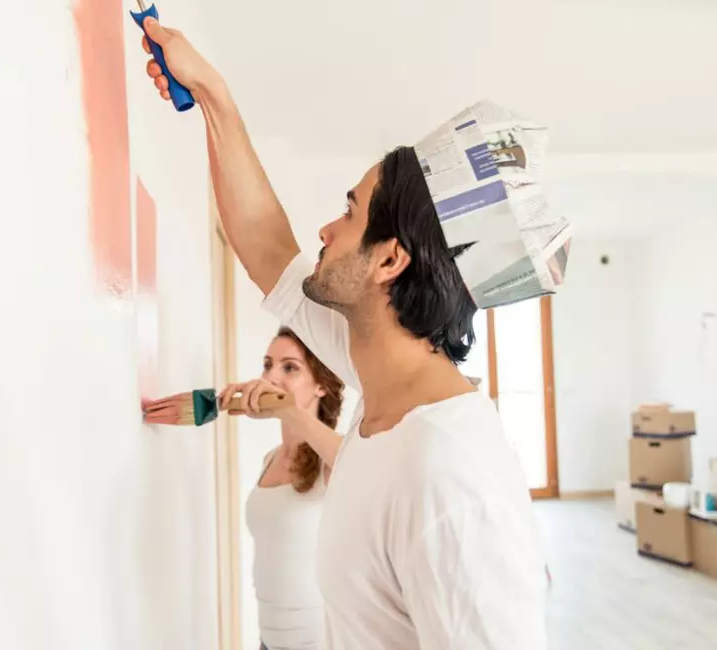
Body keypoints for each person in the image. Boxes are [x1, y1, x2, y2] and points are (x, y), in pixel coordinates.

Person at [138, 18, 547, 649]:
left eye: (350, 211)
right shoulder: (380, 381)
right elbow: (268, 247)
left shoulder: (449, 475)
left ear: (389, 262)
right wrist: (212, 94)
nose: (326, 230)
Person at [237, 327, 345, 650]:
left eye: (290, 367)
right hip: (268, 639)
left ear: (321, 385)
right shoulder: (270, 459)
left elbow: (354, 462)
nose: (272, 376)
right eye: (268, 364)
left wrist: (288, 410)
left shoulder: (331, 462)